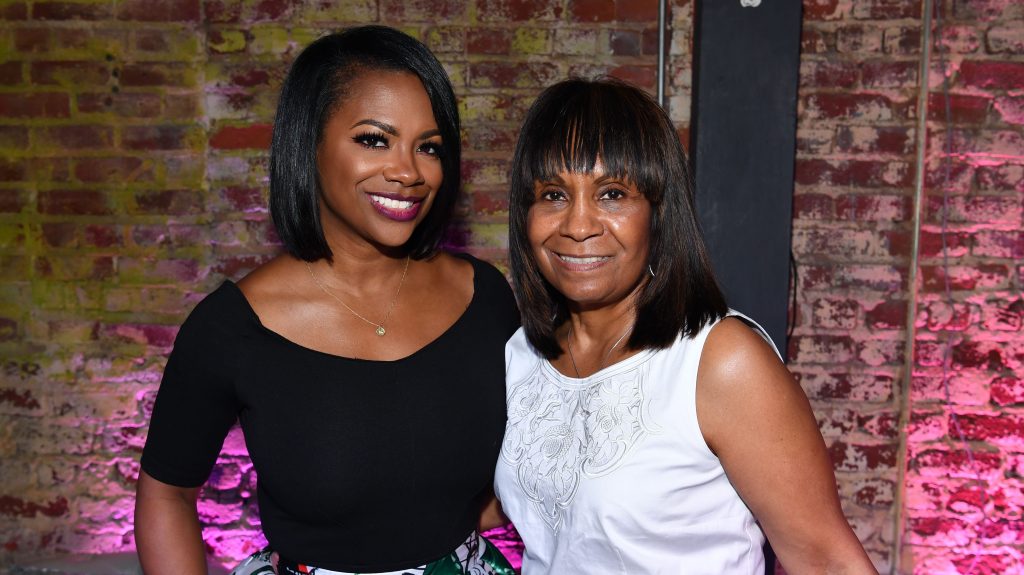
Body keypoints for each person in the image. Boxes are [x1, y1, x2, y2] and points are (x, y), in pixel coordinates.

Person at [134, 26, 519, 575]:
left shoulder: (485, 298)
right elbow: (166, 495)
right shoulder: (231, 329)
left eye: (428, 147)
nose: (408, 171)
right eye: (373, 139)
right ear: (309, 142)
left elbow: (508, 476)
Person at [493, 78, 878, 574]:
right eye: (552, 194)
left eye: (611, 194)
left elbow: (827, 561)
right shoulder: (521, 356)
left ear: (658, 213)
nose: (578, 224)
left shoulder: (719, 360)